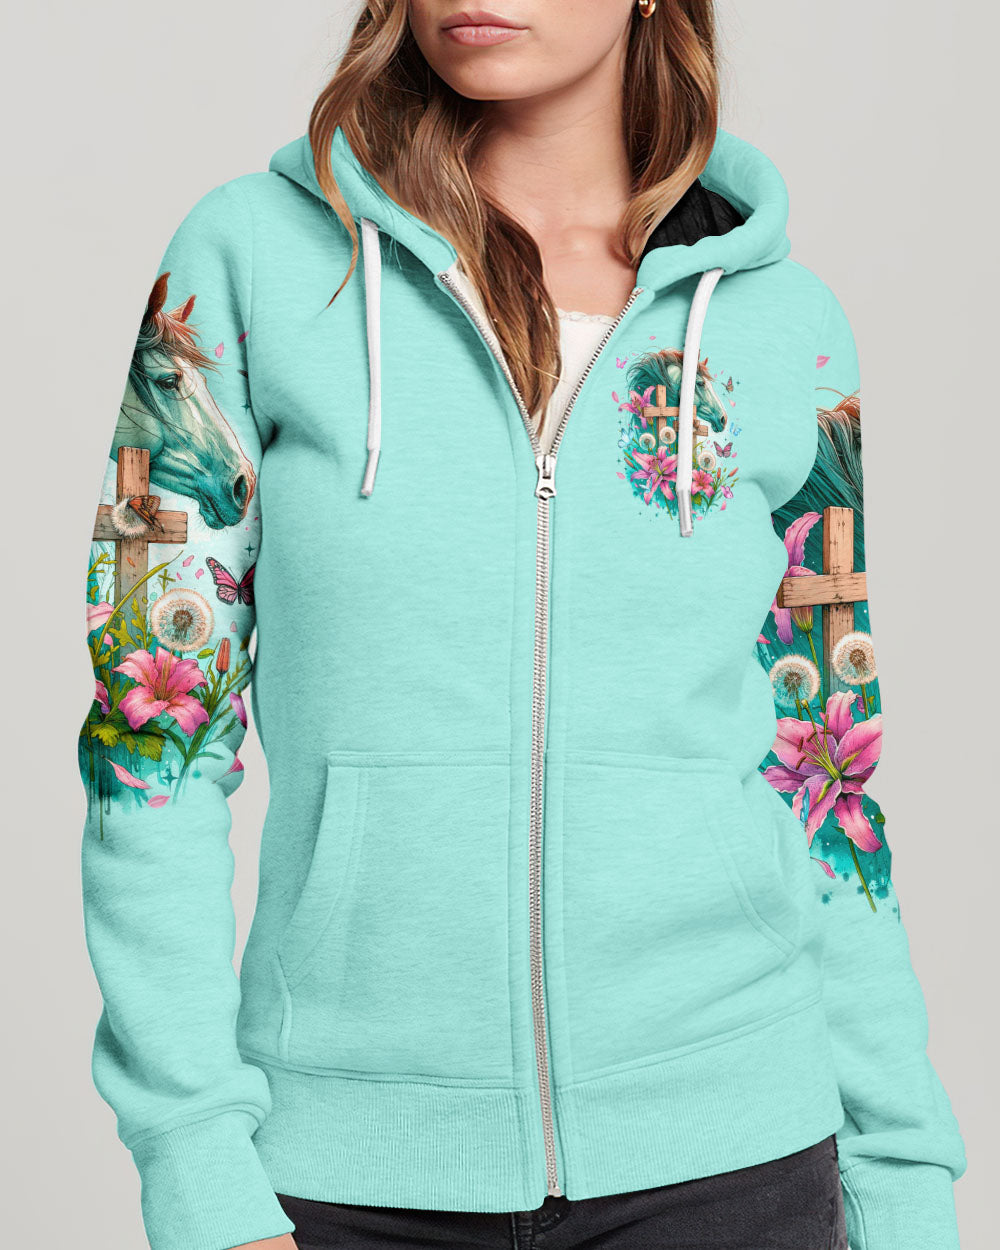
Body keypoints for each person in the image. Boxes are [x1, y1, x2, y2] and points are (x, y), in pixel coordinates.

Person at [77, 3, 967, 1248]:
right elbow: (147, 744)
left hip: (736, 1154)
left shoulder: (783, 325)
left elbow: (826, 779)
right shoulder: (250, 266)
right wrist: (196, 1163)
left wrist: (901, 1178)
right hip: (342, 1164)